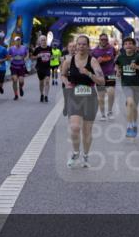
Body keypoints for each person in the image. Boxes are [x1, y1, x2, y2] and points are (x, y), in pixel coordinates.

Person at [60, 35, 104, 167]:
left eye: (84, 44)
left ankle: (85, 156)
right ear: (76, 45)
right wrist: (66, 82)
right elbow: (62, 74)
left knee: (86, 131)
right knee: (74, 127)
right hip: (74, 96)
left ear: (88, 46)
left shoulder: (93, 61)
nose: (81, 46)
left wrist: (89, 74)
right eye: (79, 44)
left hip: (90, 97)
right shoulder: (69, 61)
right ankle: (75, 153)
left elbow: (102, 81)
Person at [115, 37, 139, 139]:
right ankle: (129, 127)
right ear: (123, 46)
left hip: (137, 85)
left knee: (134, 107)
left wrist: (138, 67)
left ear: (134, 46)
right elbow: (117, 65)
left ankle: (134, 123)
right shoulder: (121, 57)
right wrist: (118, 71)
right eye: (126, 44)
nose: (128, 45)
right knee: (130, 103)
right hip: (126, 84)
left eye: (130, 43)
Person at [91, 33, 117, 120]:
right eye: (102, 39)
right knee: (101, 97)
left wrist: (116, 67)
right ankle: (102, 114)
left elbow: (115, 57)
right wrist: (97, 62)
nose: (104, 41)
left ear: (107, 40)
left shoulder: (112, 49)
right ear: (99, 40)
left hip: (110, 74)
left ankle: (110, 111)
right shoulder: (94, 51)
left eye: (105, 39)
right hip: (99, 76)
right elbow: (91, 63)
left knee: (111, 92)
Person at [30, 34, 52, 102]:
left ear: (46, 40)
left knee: (47, 81)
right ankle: (42, 94)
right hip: (40, 68)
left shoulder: (49, 48)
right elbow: (32, 57)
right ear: (40, 41)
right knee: (41, 82)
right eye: (42, 40)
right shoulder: (37, 49)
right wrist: (37, 56)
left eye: (44, 40)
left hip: (47, 67)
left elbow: (51, 56)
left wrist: (52, 57)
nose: (43, 41)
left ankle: (46, 96)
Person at [7, 35, 29, 100]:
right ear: (15, 41)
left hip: (21, 66)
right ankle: (16, 94)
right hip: (14, 66)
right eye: (17, 40)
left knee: (21, 81)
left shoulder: (24, 48)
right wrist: (10, 58)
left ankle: (21, 87)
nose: (18, 41)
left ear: (20, 41)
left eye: (19, 40)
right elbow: (8, 56)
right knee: (15, 80)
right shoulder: (11, 48)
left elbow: (27, 54)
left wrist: (26, 58)